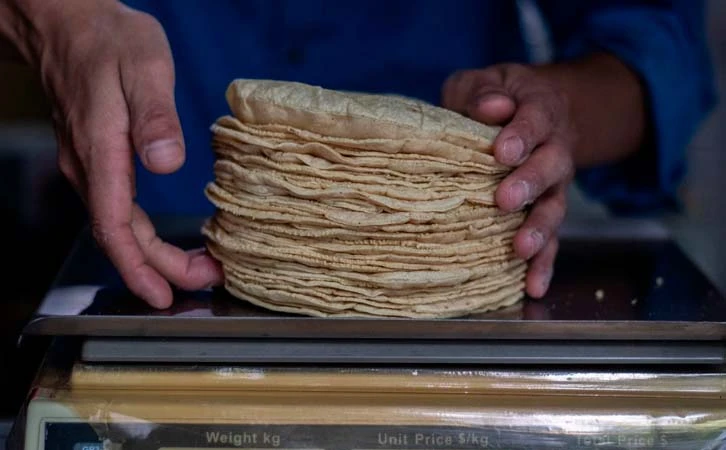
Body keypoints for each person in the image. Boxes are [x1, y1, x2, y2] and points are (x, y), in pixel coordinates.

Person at [0, 0, 716, 309]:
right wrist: (57, 16)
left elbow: (655, 49)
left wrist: (555, 111)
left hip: (459, 248)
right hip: (147, 251)